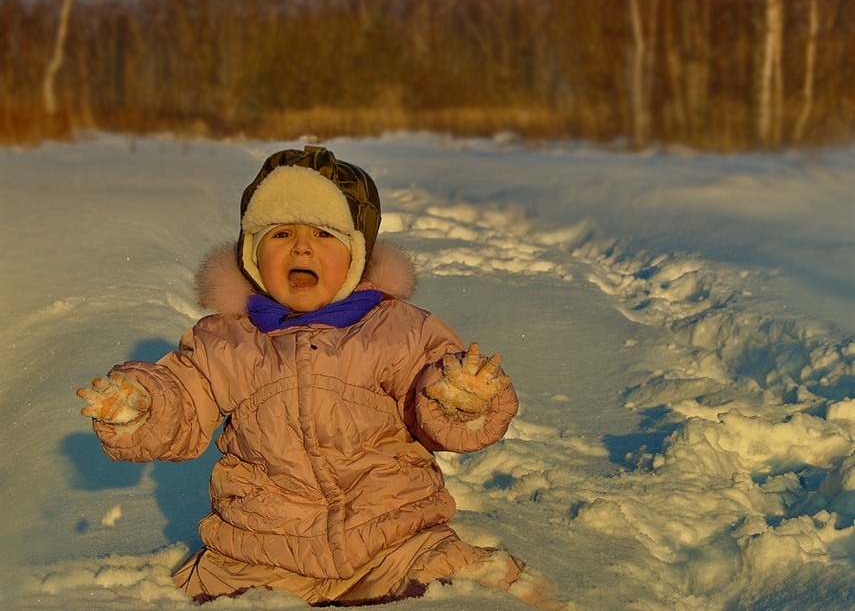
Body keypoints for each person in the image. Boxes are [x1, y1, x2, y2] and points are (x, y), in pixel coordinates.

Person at [77, 147, 566, 609]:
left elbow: (431, 400)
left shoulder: (398, 330)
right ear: (252, 256)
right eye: (281, 235)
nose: (302, 248)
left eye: (324, 235)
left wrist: (461, 398)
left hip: (392, 539)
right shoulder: (227, 341)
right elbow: (184, 396)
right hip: (260, 549)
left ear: (356, 256)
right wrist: (142, 406)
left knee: (473, 583)